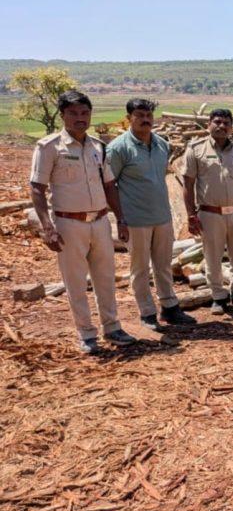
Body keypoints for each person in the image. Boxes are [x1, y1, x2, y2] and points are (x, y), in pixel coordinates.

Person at [29, 90, 136, 355]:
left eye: (85, 113)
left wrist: (120, 218)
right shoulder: (50, 147)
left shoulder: (98, 146)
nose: (80, 118)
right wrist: (47, 228)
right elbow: (37, 188)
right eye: (73, 113)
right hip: (68, 225)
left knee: (105, 279)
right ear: (63, 115)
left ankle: (112, 327)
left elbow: (110, 185)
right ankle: (86, 334)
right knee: (75, 281)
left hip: (100, 222)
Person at [106, 99, 195, 331]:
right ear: (129, 118)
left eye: (148, 115)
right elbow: (108, 185)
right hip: (135, 219)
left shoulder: (162, 145)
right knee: (140, 269)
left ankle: (170, 307)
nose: (145, 119)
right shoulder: (118, 148)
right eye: (139, 115)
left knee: (163, 265)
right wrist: (120, 218)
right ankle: (147, 312)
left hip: (162, 217)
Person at [181, 109, 233, 315]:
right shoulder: (196, 149)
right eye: (217, 122)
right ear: (209, 124)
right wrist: (191, 215)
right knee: (212, 257)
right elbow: (188, 186)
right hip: (210, 214)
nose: (221, 126)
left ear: (232, 127)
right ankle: (218, 296)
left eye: (226, 123)